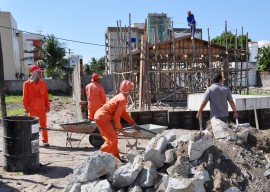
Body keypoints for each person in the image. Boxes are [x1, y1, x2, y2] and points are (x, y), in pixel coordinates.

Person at [94, 80, 140, 159]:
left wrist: (133, 123)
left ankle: (116, 158)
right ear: (130, 90)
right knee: (112, 139)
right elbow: (117, 116)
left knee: (113, 137)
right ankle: (97, 158)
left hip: (101, 116)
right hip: (102, 117)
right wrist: (120, 129)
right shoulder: (122, 99)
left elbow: (123, 113)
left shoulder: (120, 96)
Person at [22, 64, 50, 147]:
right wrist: (25, 108)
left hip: (42, 108)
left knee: (43, 125)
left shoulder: (42, 83)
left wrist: (47, 106)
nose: (40, 74)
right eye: (38, 72)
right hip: (32, 109)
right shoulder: (26, 84)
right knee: (33, 125)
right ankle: (34, 141)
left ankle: (45, 141)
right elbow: (25, 97)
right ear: (34, 73)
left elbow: (46, 96)